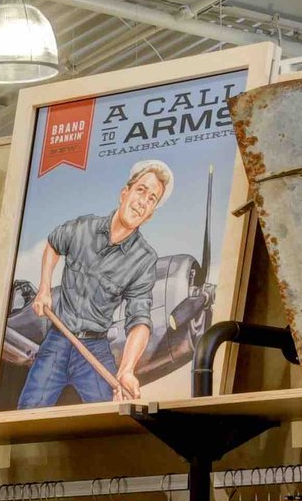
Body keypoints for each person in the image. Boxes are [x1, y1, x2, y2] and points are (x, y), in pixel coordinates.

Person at [16, 158, 185, 408]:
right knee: (28, 413)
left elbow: (140, 319)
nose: (143, 202)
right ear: (124, 193)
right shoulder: (84, 227)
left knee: (113, 414)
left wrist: (127, 369)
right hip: (57, 341)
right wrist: (44, 289)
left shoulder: (144, 259)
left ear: (150, 214)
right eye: (141, 190)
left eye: (152, 199)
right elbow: (54, 244)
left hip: (94, 347)